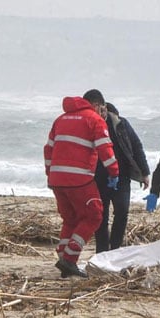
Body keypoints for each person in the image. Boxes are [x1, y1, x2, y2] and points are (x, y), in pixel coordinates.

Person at [44, 95, 119, 278]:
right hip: (79, 179)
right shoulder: (94, 120)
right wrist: (114, 172)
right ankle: (70, 258)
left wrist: (50, 172)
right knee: (94, 215)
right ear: (95, 105)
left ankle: (63, 256)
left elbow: (48, 149)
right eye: (101, 108)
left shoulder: (60, 119)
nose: (102, 113)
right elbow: (105, 148)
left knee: (70, 219)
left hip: (57, 179)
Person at [88, 91, 151, 253]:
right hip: (98, 177)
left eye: (100, 110)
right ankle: (102, 251)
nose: (98, 114)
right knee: (100, 216)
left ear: (104, 107)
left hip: (121, 176)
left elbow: (136, 146)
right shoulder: (88, 124)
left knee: (122, 211)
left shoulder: (120, 123)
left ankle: (115, 249)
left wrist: (145, 172)